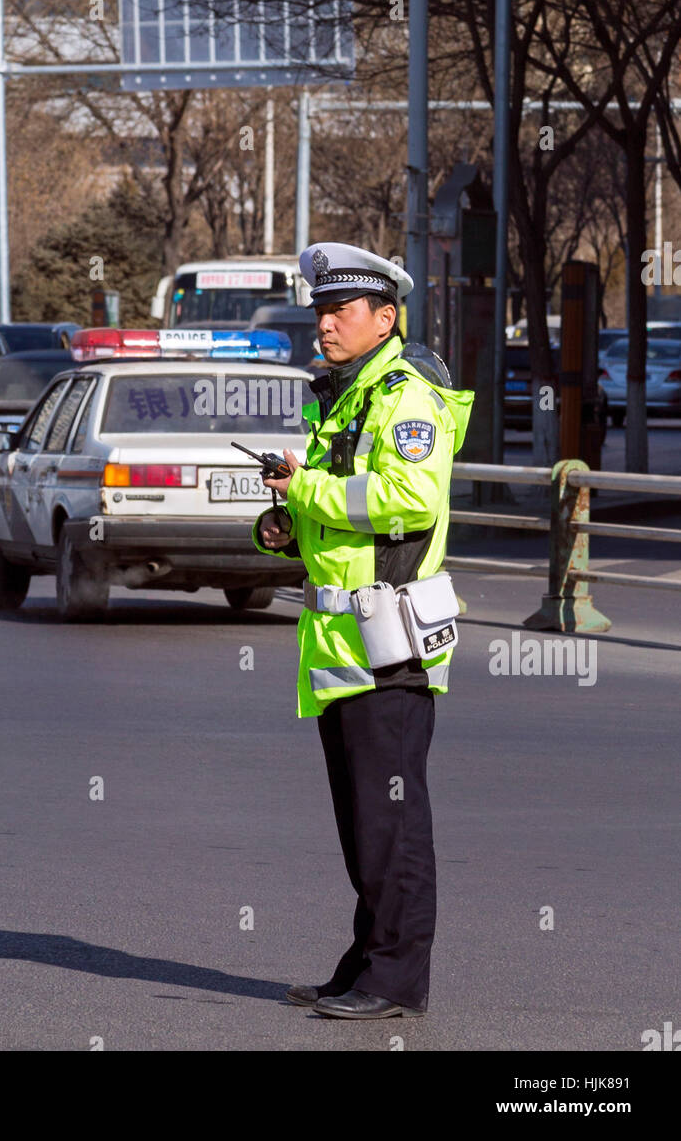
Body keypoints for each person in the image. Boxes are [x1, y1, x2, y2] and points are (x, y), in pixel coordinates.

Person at [251, 241, 473, 1020]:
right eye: (320, 311)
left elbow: (408, 501)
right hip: (341, 644)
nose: (324, 324)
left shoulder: (406, 395)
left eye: (339, 311)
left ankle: (396, 982)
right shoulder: (341, 398)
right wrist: (279, 524)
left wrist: (305, 486)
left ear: (385, 319)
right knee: (364, 824)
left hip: (391, 643)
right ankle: (365, 964)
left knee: (394, 822)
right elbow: (332, 518)